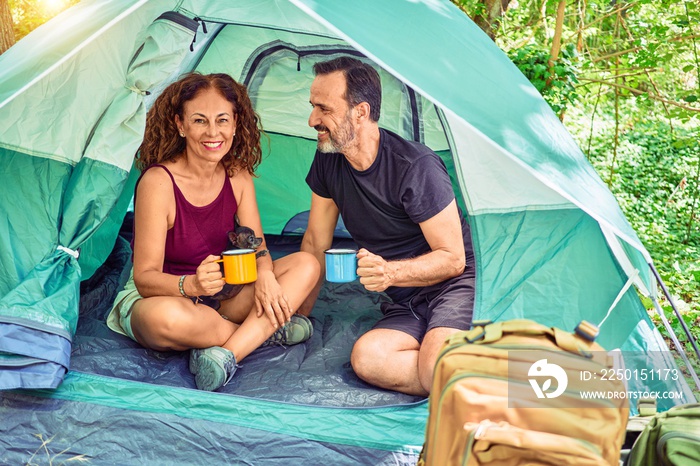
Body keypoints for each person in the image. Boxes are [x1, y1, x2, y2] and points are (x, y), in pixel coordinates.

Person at [107, 72, 320, 392]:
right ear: (180, 125)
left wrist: (264, 273)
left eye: (222, 120)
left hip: (222, 293)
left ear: (236, 123)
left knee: (307, 265)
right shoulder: (158, 182)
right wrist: (190, 284)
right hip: (167, 295)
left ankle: (227, 354)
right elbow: (145, 278)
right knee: (166, 320)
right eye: (199, 120)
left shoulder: (238, 176)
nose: (213, 132)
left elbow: (258, 245)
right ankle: (263, 332)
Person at [300, 57, 476, 396]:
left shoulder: (415, 166)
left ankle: (551, 379)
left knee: (434, 363)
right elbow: (314, 242)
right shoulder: (328, 158)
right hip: (405, 299)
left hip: (454, 285)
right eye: (313, 107)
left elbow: (453, 259)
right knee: (368, 358)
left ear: (361, 112)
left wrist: (391, 274)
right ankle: (455, 371)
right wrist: (298, 317)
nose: (312, 120)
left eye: (324, 109)